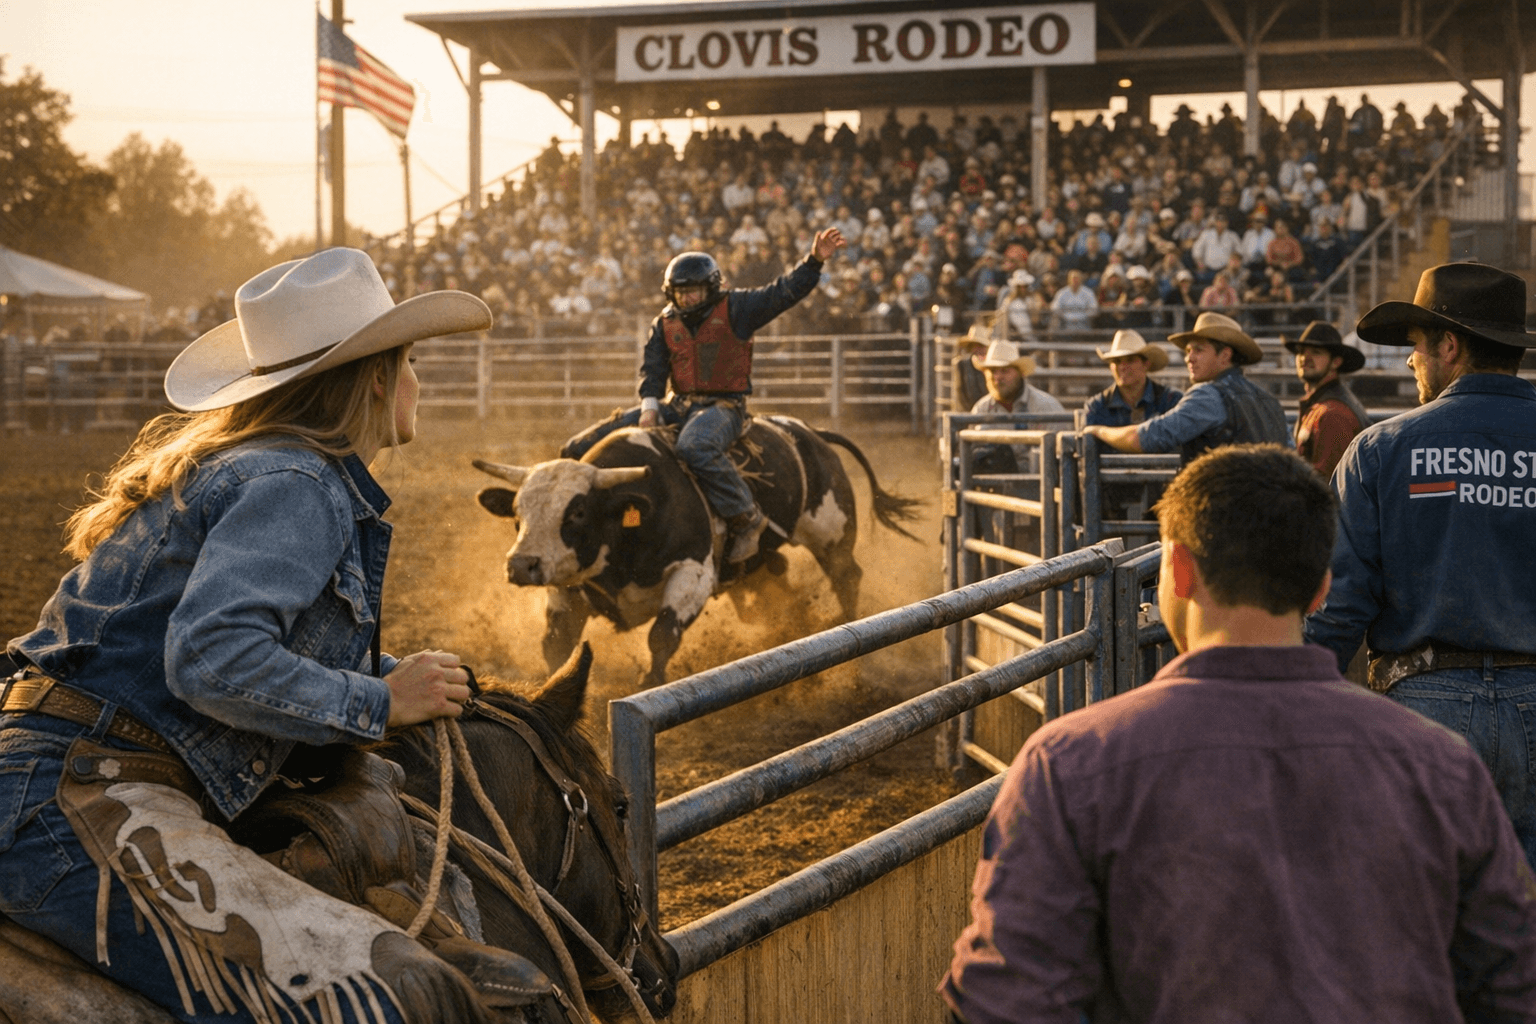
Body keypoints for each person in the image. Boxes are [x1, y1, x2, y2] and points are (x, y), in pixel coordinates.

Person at [0, 248, 520, 1023]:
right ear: (375, 378)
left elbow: (236, 644)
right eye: (410, 363)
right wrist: (377, 701)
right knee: (380, 997)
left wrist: (390, 672)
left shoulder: (251, 468)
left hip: (50, 772)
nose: (419, 382)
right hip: (79, 796)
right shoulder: (298, 481)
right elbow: (212, 657)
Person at [940, 444, 1536, 1023]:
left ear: (1177, 570)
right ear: (1321, 588)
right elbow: (1513, 984)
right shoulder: (1442, 766)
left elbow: (1008, 995)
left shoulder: (1070, 763)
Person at [1305, 262, 1536, 864]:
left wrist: (1293, 704)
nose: (1410, 362)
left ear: (1449, 346)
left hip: (1424, 704)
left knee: (1422, 918)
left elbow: (1340, 604)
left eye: (1415, 347)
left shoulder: (1381, 451)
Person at [562, 228, 846, 563]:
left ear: (710, 288)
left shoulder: (738, 308)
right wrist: (649, 407)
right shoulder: (664, 323)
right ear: (671, 293)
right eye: (680, 293)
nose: (687, 299)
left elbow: (782, 293)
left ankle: (746, 516)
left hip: (724, 407)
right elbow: (652, 370)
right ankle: (574, 529)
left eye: (694, 292)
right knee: (576, 447)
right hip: (676, 405)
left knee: (694, 446)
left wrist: (813, 262)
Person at [1083, 312, 1289, 461]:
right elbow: (1290, 453)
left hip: (1225, 509)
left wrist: (1100, 431)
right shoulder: (1269, 401)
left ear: (1225, 355)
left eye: (1198, 350)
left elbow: (1150, 437)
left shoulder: (1208, 395)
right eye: (1188, 351)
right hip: (1272, 513)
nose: (1189, 359)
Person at [968, 338, 1065, 475]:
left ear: (1021, 373)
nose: (997, 377)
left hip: (1037, 489)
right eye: (992, 370)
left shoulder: (1047, 408)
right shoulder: (980, 409)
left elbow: (1060, 462)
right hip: (991, 488)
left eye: (1005, 370)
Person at [1285, 320, 1369, 478]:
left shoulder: (1332, 414)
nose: (1304, 358)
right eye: (1301, 351)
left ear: (1336, 362)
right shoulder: (1321, 406)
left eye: (1316, 352)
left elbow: (1328, 483)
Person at [1082, 329, 1181, 427]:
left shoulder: (1172, 401)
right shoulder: (1096, 407)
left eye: (1130, 360)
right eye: (1116, 361)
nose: (1122, 367)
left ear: (1146, 364)